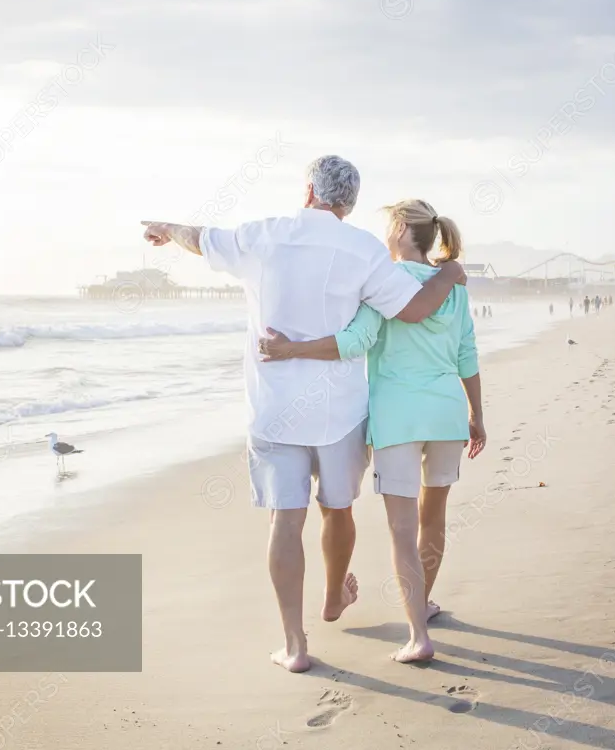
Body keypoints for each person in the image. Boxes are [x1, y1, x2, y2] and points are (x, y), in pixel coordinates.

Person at [141, 156, 466, 673]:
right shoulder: (362, 248)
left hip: (273, 410)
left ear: (308, 189)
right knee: (338, 510)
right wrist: (449, 274)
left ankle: (294, 647)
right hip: (339, 412)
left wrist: (164, 228)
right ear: (350, 203)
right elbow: (412, 310)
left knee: (284, 520)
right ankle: (335, 595)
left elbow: (201, 237)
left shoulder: (263, 235)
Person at [259, 199, 486, 664]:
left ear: (401, 229)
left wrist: (290, 350)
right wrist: (476, 414)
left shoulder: (385, 283)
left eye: (388, 225)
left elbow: (355, 342)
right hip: (446, 416)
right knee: (433, 520)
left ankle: (419, 636)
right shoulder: (455, 289)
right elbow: (467, 354)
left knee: (402, 529)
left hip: (398, 419)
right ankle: (421, 605)